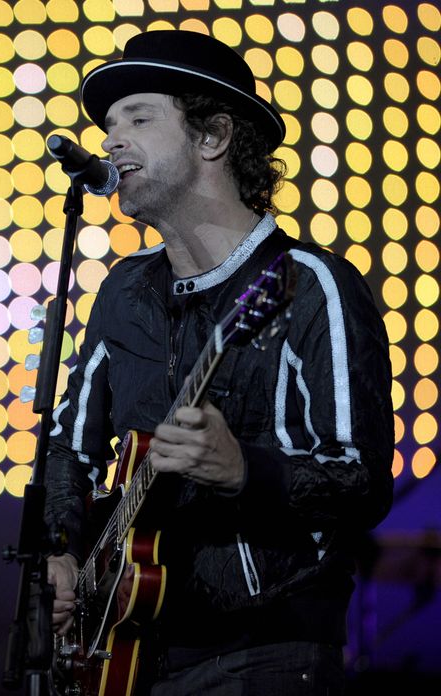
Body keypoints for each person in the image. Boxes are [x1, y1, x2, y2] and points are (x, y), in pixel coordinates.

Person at [44, 30, 393, 695]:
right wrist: (63, 549)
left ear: (213, 137)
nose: (112, 141)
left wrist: (246, 472)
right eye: (108, 126)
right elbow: (69, 444)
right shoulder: (123, 292)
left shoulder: (310, 284)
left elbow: (363, 481)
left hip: (265, 651)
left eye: (138, 118)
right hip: (130, 648)